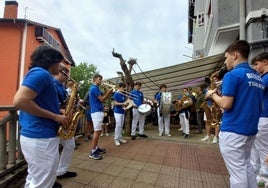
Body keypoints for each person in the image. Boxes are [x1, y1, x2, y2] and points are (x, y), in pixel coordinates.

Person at [205, 40, 264, 187]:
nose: (226, 61)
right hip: (250, 130)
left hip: (233, 131)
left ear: (235, 55)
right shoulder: (257, 76)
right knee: (247, 167)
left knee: (237, 175)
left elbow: (226, 104)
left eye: (227, 57)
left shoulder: (232, 75)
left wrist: (212, 95)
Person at [13, 45, 69, 188]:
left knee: (34, 178)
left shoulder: (41, 74)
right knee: (43, 183)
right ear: (51, 61)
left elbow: (38, 101)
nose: (61, 66)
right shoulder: (41, 74)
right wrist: (55, 117)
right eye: (59, 62)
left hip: (36, 137)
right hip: (41, 138)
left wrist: (58, 111)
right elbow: (20, 101)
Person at [53, 64, 77, 179]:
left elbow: (66, 102)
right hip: (55, 122)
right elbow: (47, 104)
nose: (68, 77)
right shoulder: (52, 84)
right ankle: (51, 177)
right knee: (52, 152)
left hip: (64, 121)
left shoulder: (61, 87)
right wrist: (59, 110)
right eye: (66, 74)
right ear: (59, 72)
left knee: (70, 145)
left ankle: (61, 171)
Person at [250, 52, 268, 184]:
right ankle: (257, 173)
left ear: (265, 62)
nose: (255, 67)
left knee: (263, 148)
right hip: (261, 116)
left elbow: (254, 91)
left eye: (256, 64)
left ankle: (265, 176)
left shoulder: (265, 78)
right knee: (256, 147)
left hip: (264, 117)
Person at [89, 74, 113, 160]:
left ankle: (96, 147)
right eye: (100, 79)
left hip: (98, 111)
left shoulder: (97, 88)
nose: (101, 81)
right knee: (97, 131)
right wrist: (109, 92)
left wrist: (108, 91)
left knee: (98, 132)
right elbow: (102, 99)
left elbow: (105, 97)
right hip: (96, 112)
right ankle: (93, 151)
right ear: (95, 79)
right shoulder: (94, 88)